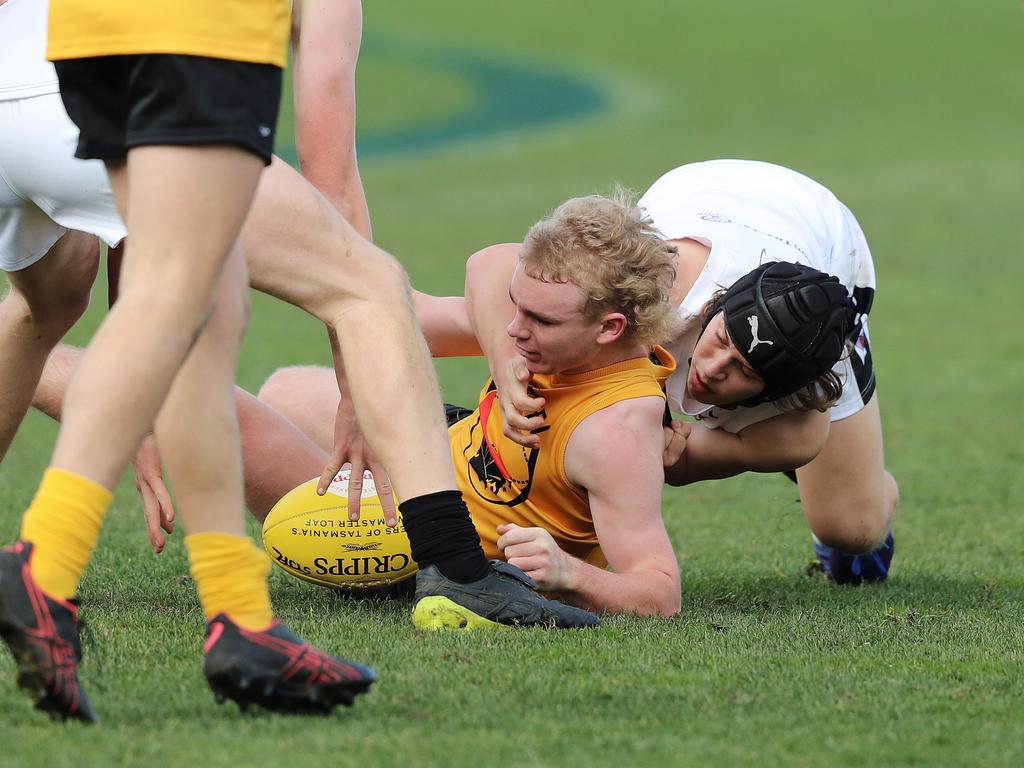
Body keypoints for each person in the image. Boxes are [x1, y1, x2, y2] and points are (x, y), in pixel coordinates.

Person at [0, 0, 594, 726]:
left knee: (175, 315)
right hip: (162, 73)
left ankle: (240, 617)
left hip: (43, 62)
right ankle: (459, 570)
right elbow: (332, 179)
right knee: (367, 286)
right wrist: (355, 379)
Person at [469, 159, 898, 585]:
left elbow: (674, 460)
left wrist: (669, 449)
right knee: (559, 335)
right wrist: (508, 362)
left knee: (851, 528)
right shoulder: (652, 296)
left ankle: (868, 481)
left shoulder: (800, 408)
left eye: (742, 371)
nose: (709, 371)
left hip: (828, 243)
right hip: (708, 191)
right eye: (721, 341)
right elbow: (492, 264)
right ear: (721, 304)